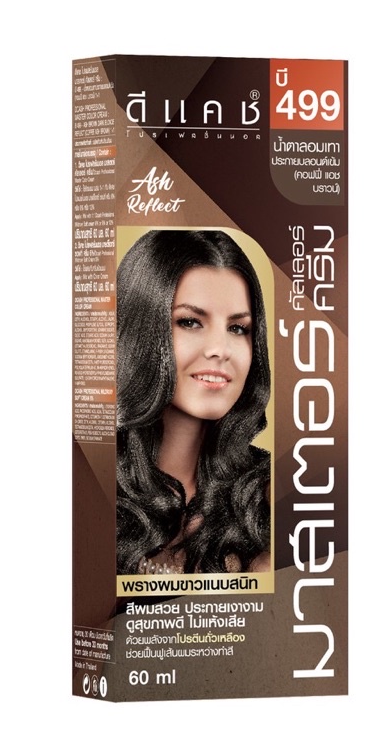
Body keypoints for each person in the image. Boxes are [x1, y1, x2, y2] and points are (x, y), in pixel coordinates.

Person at [116, 229, 271, 575]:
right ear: (140, 330)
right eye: (190, 322)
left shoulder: (268, 495)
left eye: (238, 328)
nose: (220, 349)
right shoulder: (87, 483)